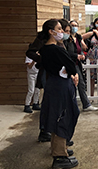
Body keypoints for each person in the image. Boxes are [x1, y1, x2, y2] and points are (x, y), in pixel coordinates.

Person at [38, 19, 80, 168]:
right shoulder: (56, 50)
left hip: (53, 84)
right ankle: (59, 156)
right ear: (51, 31)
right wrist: (71, 73)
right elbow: (71, 66)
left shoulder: (44, 49)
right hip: (61, 86)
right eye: (59, 29)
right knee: (63, 116)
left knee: (55, 116)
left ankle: (58, 149)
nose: (62, 32)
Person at [67, 20, 98, 112]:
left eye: (76, 25)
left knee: (81, 84)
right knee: (73, 85)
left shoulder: (78, 37)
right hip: (70, 64)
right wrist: (76, 56)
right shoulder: (66, 39)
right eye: (72, 25)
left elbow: (80, 49)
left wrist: (82, 54)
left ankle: (86, 104)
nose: (74, 27)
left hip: (77, 64)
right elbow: (66, 52)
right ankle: (75, 105)